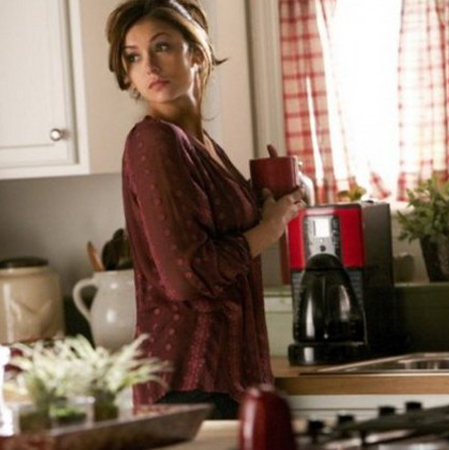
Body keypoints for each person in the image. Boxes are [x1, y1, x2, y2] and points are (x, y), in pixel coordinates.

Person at [106, 0, 306, 419]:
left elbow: (224, 240)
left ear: (196, 53)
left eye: (162, 47)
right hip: (188, 381)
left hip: (224, 378)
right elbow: (186, 275)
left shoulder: (204, 147)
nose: (149, 66)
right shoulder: (154, 141)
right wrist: (269, 229)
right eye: (133, 56)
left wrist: (274, 201)